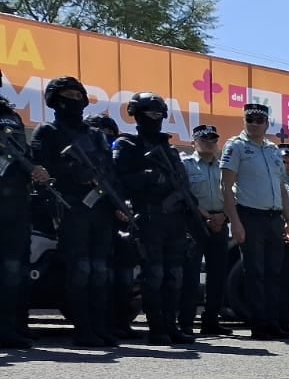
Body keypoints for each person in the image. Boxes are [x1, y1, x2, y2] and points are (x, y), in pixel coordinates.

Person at [30, 76, 122, 347]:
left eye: (77, 95)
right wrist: (73, 172)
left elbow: (109, 170)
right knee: (80, 269)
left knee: (100, 270)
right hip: (71, 208)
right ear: (55, 100)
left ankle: (100, 326)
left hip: (100, 208)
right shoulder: (47, 132)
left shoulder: (94, 134)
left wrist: (117, 203)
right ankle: (84, 329)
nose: (74, 100)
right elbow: (40, 169)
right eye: (67, 96)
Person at [112, 92, 199, 345]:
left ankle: (171, 326)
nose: (155, 118)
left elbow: (182, 183)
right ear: (137, 115)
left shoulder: (169, 149)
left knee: (175, 275)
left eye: (159, 114)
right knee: (154, 275)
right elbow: (119, 180)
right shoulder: (127, 145)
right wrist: (150, 177)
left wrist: (188, 203)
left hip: (175, 220)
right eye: (150, 113)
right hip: (149, 217)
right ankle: (157, 328)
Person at [222, 102, 289, 339]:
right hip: (250, 216)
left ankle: (273, 322)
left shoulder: (273, 150)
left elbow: (281, 186)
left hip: (274, 218)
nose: (254, 124)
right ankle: (259, 325)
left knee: (275, 272)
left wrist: (288, 219)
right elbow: (226, 187)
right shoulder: (236, 146)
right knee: (255, 273)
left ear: (267, 123)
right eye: (249, 120)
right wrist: (235, 221)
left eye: (259, 120)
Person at [0, 70, 49, 349]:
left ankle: (16, 326)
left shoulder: (11, 115)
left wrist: (36, 169)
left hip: (16, 202)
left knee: (17, 267)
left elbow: (24, 153)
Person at [180, 124, 234, 337]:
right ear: (194, 142)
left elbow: (232, 194)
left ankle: (211, 320)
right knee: (191, 274)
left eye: (213, 139)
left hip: (220, 222)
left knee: (217, 275)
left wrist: (223, 216)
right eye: (204, 139)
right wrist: (207, 217)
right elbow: (185, 195)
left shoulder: (224, 168)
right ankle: (185, 322)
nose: (210, 143)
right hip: (195, 223)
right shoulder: (186, 165)